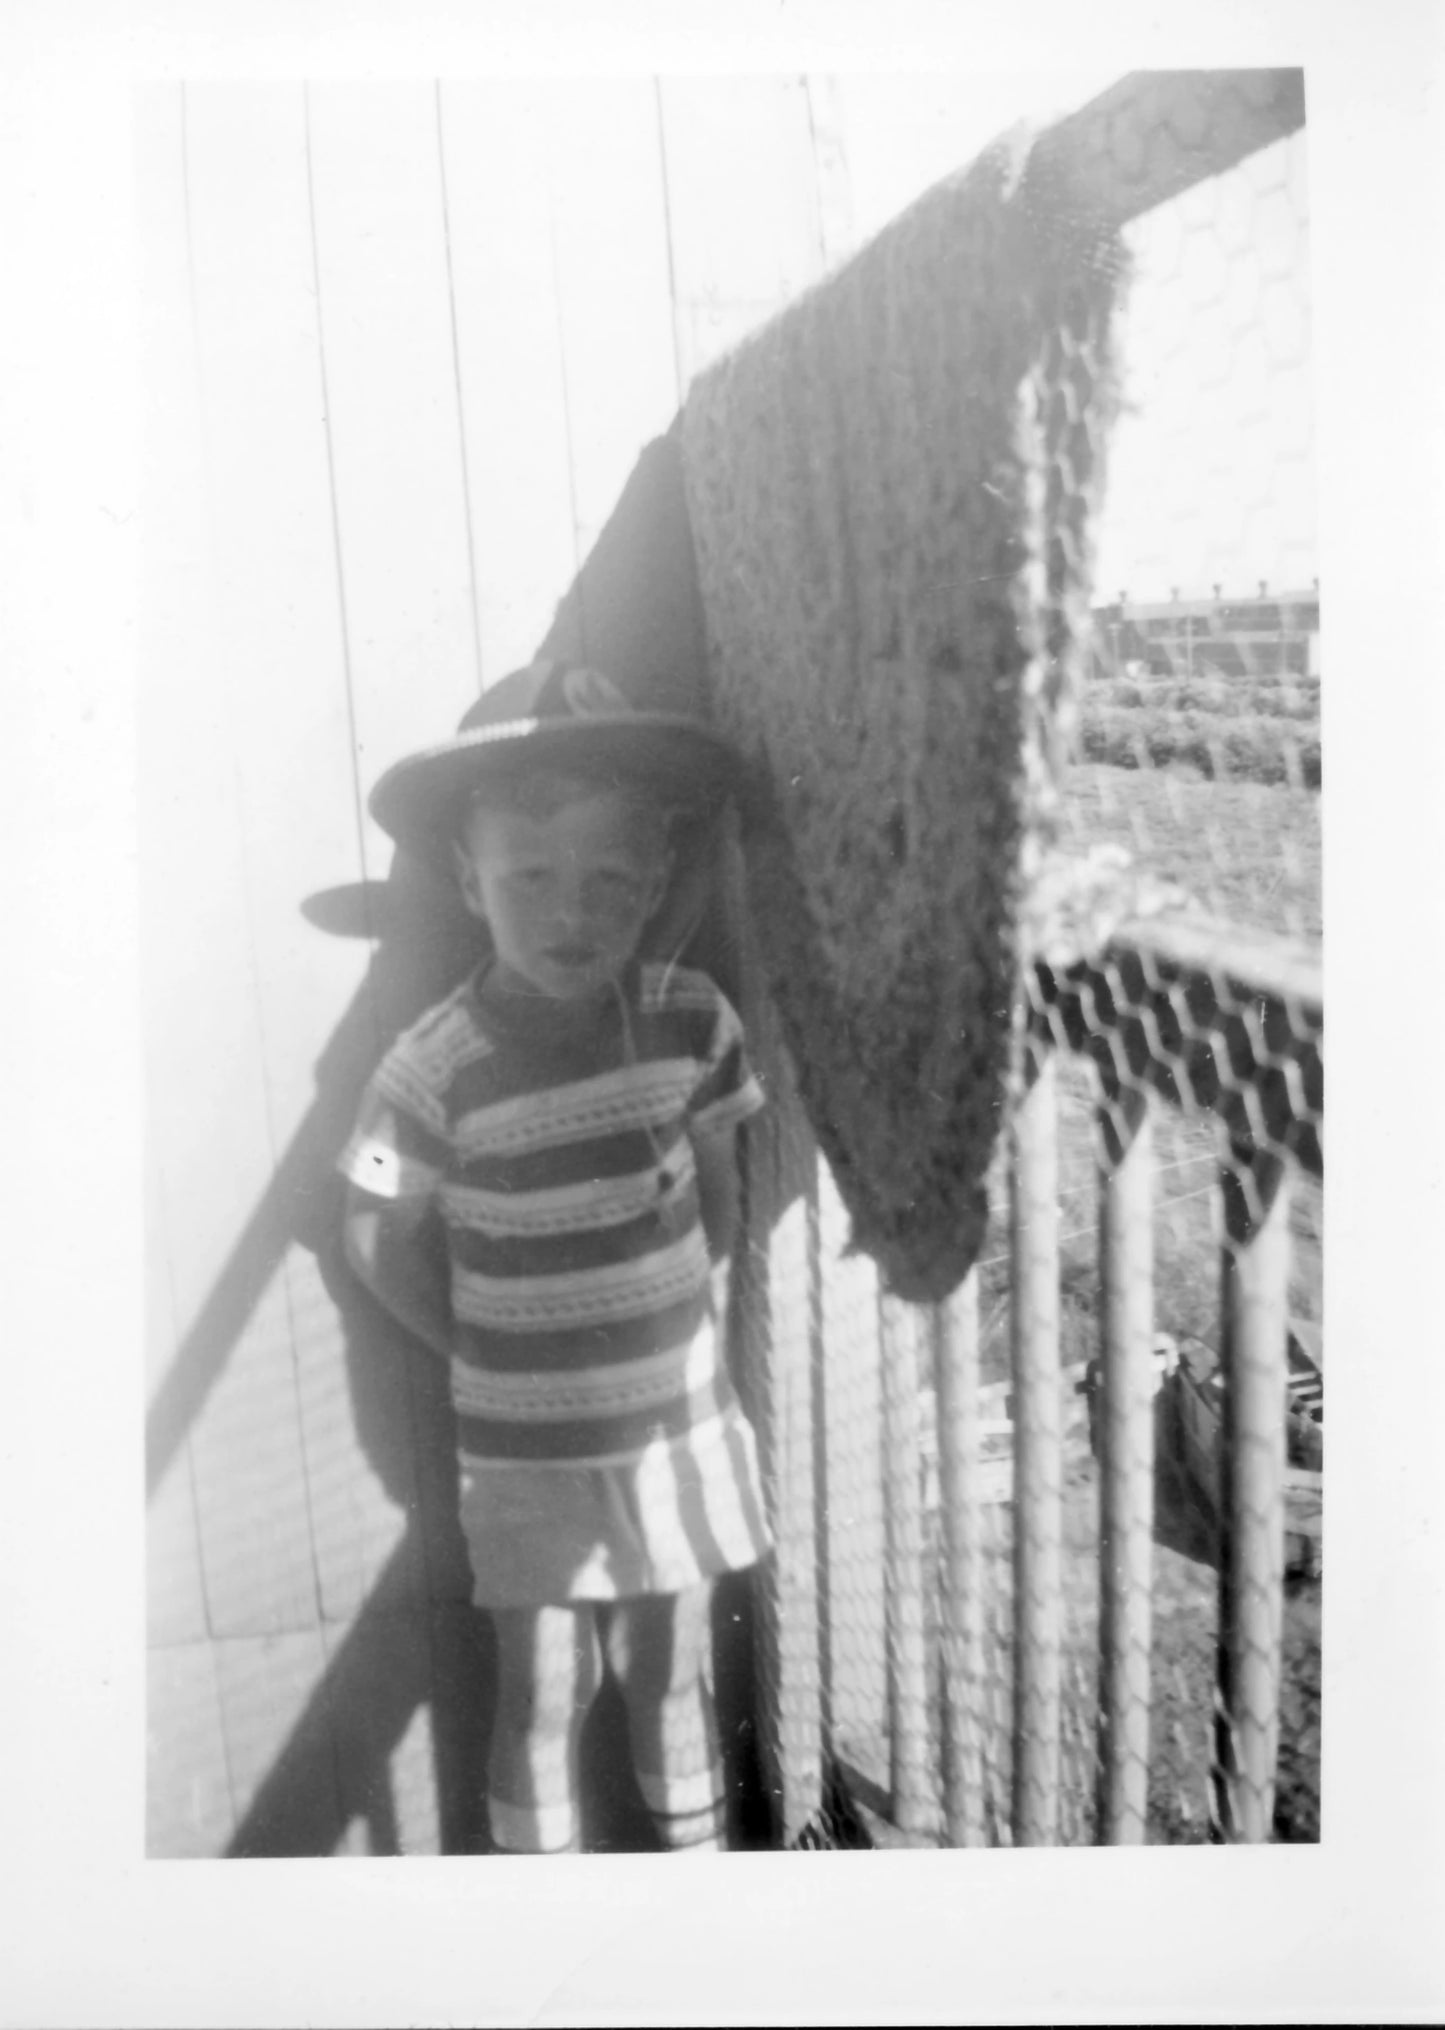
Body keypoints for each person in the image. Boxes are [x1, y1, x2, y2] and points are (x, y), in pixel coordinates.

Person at [339, 658, 770, 1855]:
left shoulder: (694, 1023)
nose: (570, 913)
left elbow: (721, 1192)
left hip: (676, 1432)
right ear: (473, 884)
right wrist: (474, 1341)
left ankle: (691, 1898)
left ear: (649, 892)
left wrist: (683, 1313)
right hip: (524, 1455)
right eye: (531, 876)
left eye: (608, 880)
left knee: (672, 1673)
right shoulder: (426, 1070)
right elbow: (371, 1225)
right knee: (540, 1690)